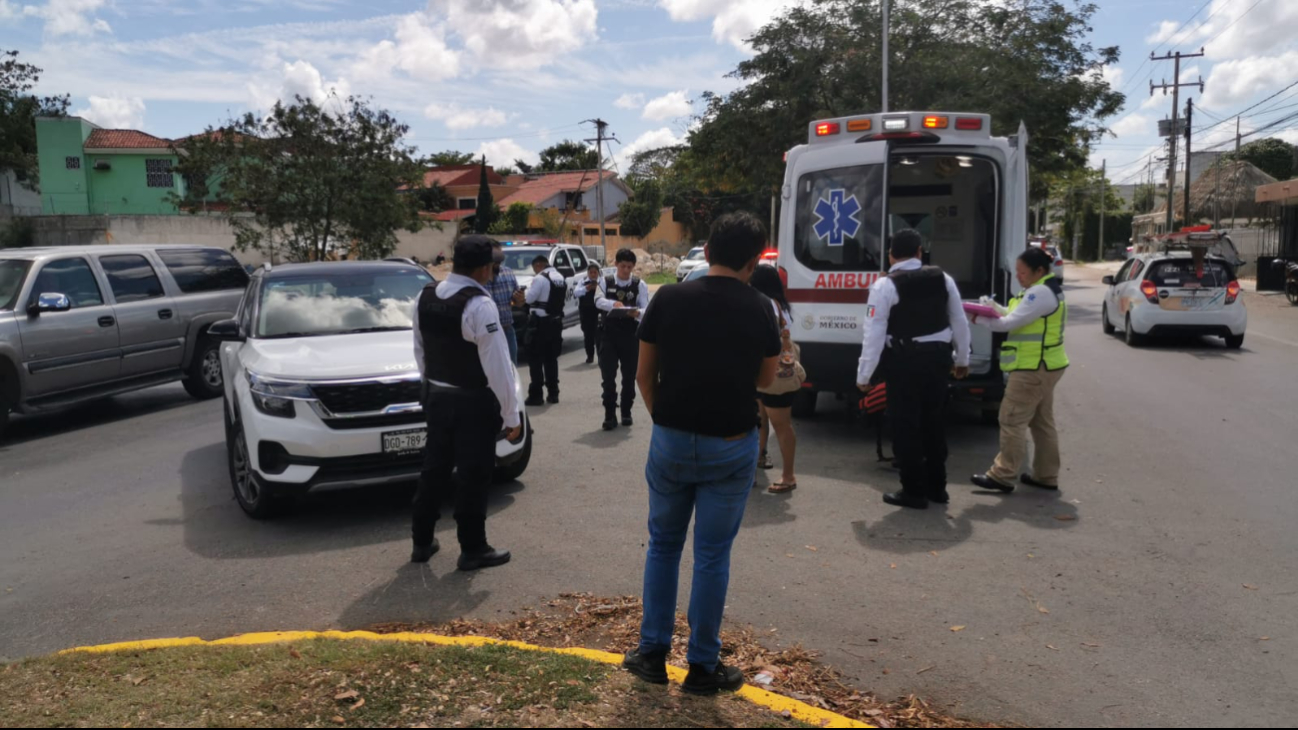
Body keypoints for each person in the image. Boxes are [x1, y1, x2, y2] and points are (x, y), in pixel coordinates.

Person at [622, 212, 781, 696]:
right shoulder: (760, 309)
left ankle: (651, 652)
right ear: (754, 262)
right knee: (712, 556)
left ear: (707, 251)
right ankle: (702, 664)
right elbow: (766, 380)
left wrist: (665, 420)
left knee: (663, 546)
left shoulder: (669, 297)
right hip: (731, 445)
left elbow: (644, 375)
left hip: (670, 439)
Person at [410, 235, 519, 572]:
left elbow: (419, 350)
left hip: (437, 397)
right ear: (486, 269)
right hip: (472, 403)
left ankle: (422, 541)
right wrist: (511, 414)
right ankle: (473, 549)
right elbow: (498, 366)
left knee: (435, 470)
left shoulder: (424, 296)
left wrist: (433, 385)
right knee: (473, 475)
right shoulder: (480, 305)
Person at [856, 229, 972, 510]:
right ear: (920, 252)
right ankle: (937, 488)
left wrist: (864, 375)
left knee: (906, 425)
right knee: (933, 421)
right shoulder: (943, 279)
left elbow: (873, 333)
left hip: (905, 362)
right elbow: (960, 321)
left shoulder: (885, 286)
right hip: (938, 359)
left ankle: (914, 491)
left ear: (890, 254)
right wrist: (962, 360)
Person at [969, 246, 1069, 493]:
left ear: (1039, 270)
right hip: (1046, 365)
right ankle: (1046, 475)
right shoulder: (1042, 290)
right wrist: (993, 307)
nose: (1018, 277)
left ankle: (1002, 475)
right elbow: (1014, 315)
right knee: (1041, 421)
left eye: (1022, 273)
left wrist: (977, 318)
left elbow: (1010, 323)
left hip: (1032, 367)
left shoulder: (1039, 294)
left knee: (1011, 418)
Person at [750, 265, 799, 493]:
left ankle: (788, 476)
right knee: (761, 422)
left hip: (773, 371)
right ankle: (755, 466)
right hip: (770, 369)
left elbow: (762, 335)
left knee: (780, 424)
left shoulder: (767, 304)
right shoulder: (780, 304)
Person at [595, 248, 650, 431]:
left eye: (629, 266)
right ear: (616, 264)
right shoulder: (605, 281)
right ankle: (609, 415)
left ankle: (626, 411)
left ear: (633, 267)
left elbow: (646, 310)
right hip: (609, 335)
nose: (626, 270)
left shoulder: (638, 284)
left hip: (629, 336)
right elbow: (598, 301)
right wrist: (614, 304)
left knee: (629, 377)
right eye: (622, 266)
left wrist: (636, 313)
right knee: (608, 378)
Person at [523, 254, 567, 406]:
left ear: (538, 265)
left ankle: (536, 395)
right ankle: (553, 393)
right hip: (555, 323)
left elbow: (529, 299)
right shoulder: (559, 277)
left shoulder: (540, 278)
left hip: (539, 324)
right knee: (551, 359)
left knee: (535, 360)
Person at [485, 240, 526, 364]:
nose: (499, 261)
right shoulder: (478, 277)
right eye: (495, 257)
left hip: (507, 331)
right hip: (487, 334)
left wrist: (520, 299)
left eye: (500, 257)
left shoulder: (508, 273)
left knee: (511, 370)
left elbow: (518, 303)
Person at [572, 263, 603, 364]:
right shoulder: (583, 282)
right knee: (588, 335)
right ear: (588, 273)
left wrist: (597, 288)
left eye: (595, 272)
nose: (593, 275)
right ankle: (590, 356)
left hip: (598, 311)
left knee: (599, 335)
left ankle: (601, 357)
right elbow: (576, 293)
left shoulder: (602, 282)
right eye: (591, 272)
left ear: (598, 273)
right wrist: (587, 288)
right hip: (586, 312)